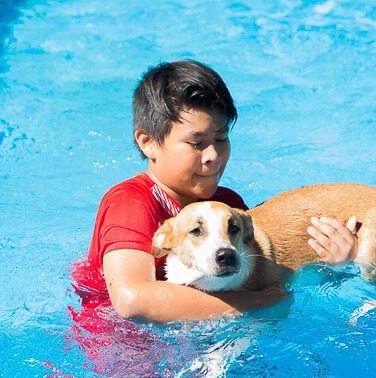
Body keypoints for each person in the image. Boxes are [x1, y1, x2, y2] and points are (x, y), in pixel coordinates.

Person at [72, 60, 358, 323]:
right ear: (148, 143)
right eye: (197, 143)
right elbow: (133, 301)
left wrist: (339, 263)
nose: (213, 155)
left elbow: (277, 280)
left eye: (221, 139)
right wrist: (255, 301)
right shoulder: (130, 202)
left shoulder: (228, 206)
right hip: (119, 350)